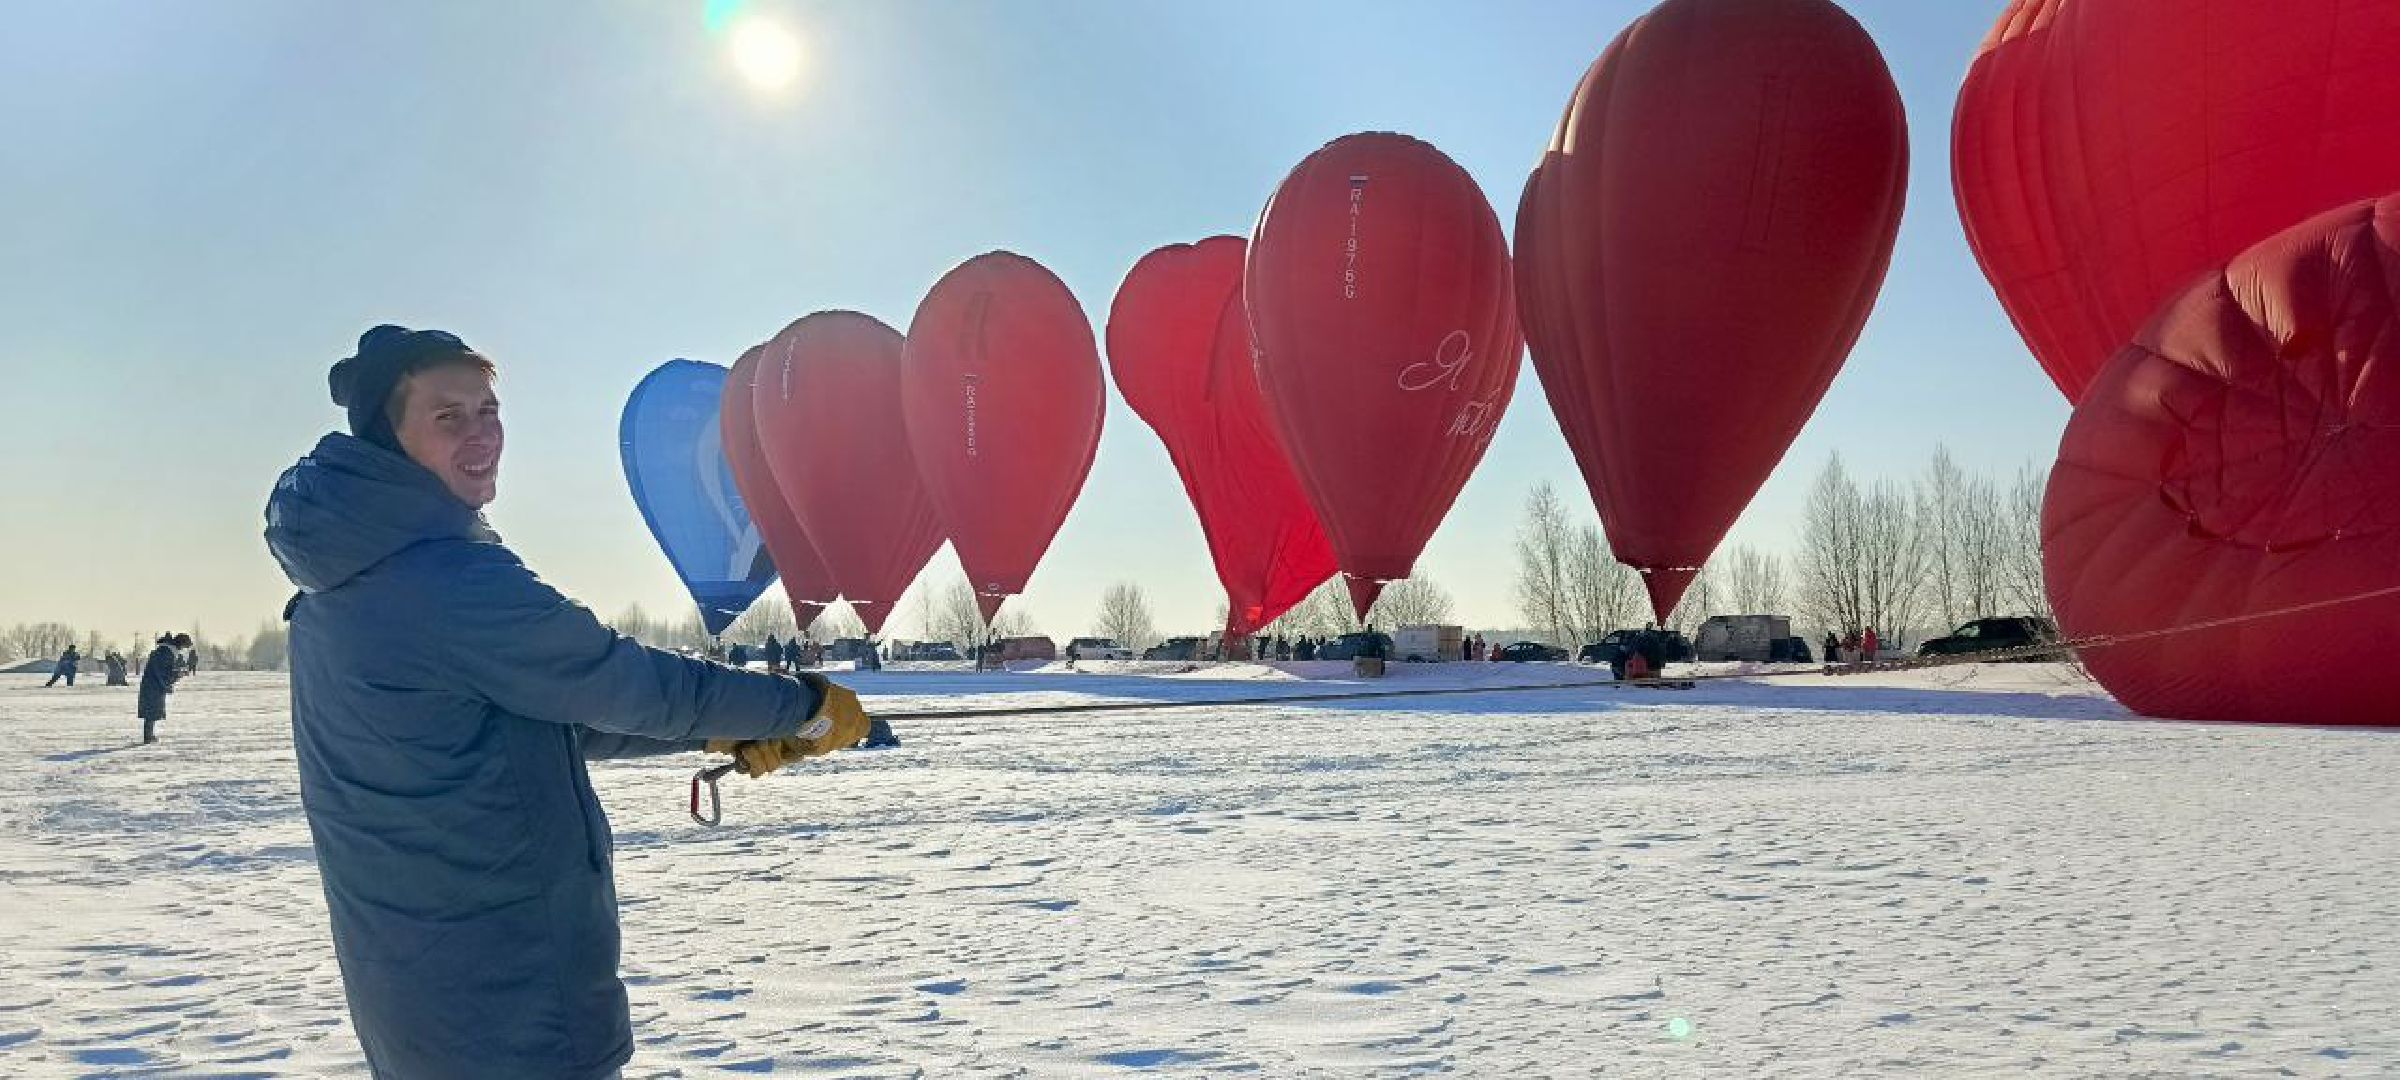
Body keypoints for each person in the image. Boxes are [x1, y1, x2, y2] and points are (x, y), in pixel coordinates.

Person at [264, 325, 873, 1080]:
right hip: (509, 1002)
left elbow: (537, 721)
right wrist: (799, 706)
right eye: (447, 417)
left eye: (488, 410)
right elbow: (622, 681)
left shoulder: (343, 578)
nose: (481, 434)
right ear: (389, 439)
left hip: (418, 996)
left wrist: (716, 734)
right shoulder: (447, 581)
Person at [137, 633, 187, 742]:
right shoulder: (166, 653)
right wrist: (170, 680)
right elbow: (162, 673)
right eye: (184, 646)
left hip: (153, 685)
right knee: (151, 711)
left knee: (152, 711)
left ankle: (149, 735)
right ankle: (148, 737)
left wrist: (176, 675)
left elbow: (165, 672)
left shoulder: (165, 652)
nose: (183, 649)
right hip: (154, 686)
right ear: (179, 644)